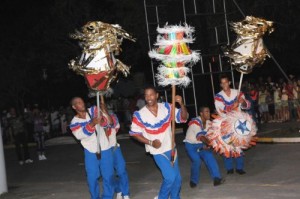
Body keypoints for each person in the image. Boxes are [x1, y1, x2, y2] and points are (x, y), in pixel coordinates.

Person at [129, 86, 188, 199]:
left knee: (177, 179)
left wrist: (181, 104)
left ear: (157, 95)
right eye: (146, 95)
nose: (148, 97)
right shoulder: (140, 114)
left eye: (151, 94)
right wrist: (150, 142)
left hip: (171, 148)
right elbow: (134, 134)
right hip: (157, 151)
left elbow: (183, 118)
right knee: (170, 177)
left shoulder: (166, 107)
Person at [70, 97, 115, 199]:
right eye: (78, 103)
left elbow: (109, 123)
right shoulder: (74, 122)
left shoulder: (93, 110)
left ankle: (108, 196)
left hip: (105, 148)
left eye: (82, 101)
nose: (82, 103)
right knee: (92, 178)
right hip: (90, 151)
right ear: (74, 107)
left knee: (108, 176)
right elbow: (80, 135)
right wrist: (92, 123)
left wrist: (104, 113)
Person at [214, 75, 250, 175]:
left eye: (226, 82)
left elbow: (246, 106)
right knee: (227, 145)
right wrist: (232, 106)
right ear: (221, 85)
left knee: (238, 144)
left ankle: (239, 167)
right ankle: (229, 168)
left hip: (238, 122)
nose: (225, 84)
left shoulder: (237, 93)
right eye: (222, 83)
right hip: (225, 123)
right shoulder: (218, 96)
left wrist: (242, 102)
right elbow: (220, 110)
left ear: (229, 82)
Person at [184, 106, 224, 188]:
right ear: (201, 113)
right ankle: (193, 180)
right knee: (197, 161)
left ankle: (216, 178)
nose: (208, 113)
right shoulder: (195, 122)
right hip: (190, 145)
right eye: (206, 112)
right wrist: (211, 144)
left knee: (209, 156)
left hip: (201, 144)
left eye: (209, 111)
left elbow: (212, 135)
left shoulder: (209, 123)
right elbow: (201, 137)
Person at [106, 112, 130, 199]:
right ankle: (118, 190)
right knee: (108, 175)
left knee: (121, 171)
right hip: (104, 151)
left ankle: (126, 193)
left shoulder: (111, 114)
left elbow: (115, 126)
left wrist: (105, 113)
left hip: (115, 148)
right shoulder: (93, 117)